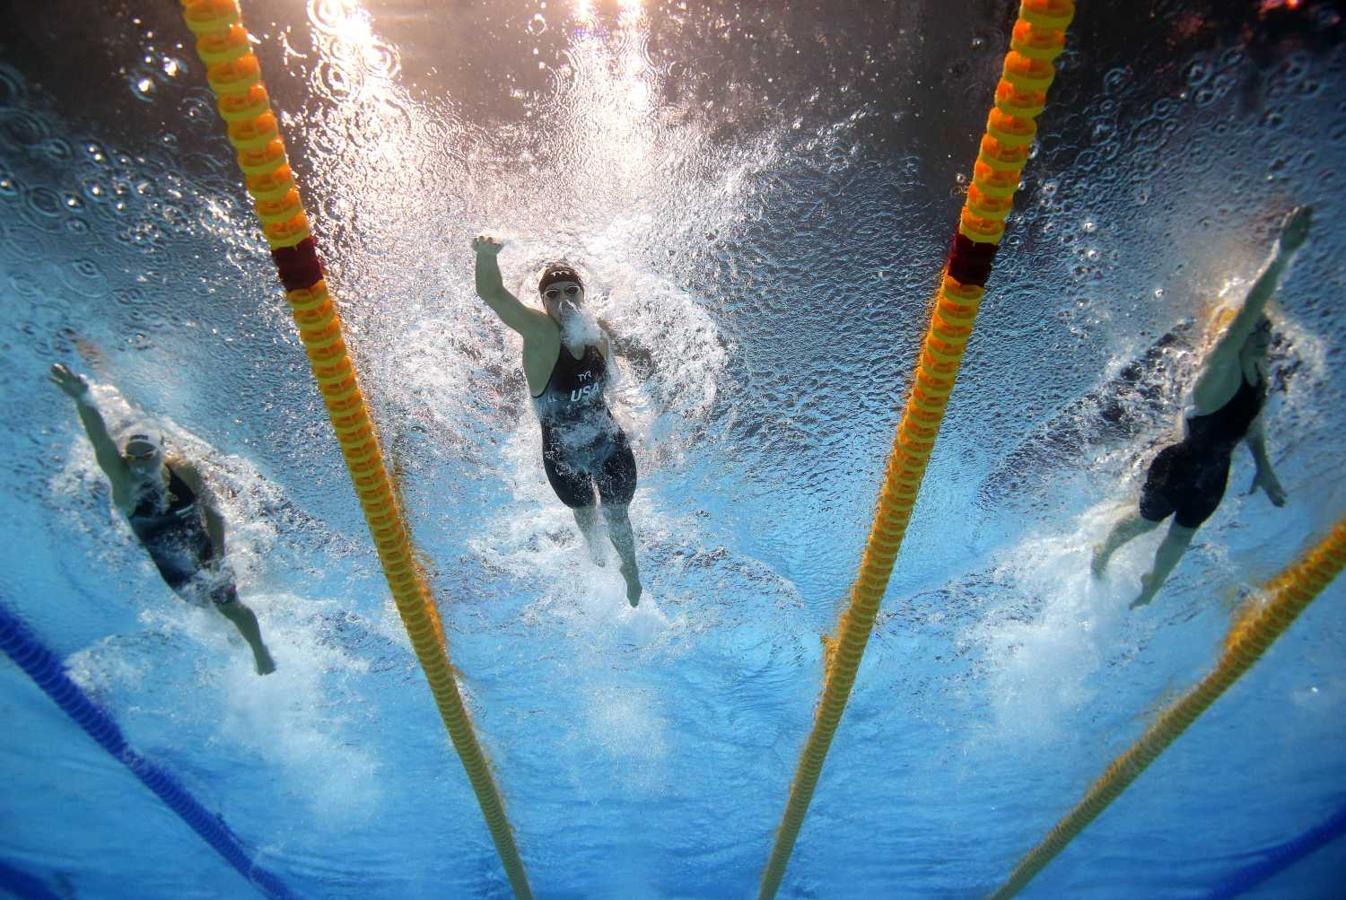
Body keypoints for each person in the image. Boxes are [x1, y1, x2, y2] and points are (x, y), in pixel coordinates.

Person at [1092, 206, 1311, 608]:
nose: (1267, 337)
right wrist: (1281, 255)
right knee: (1145, 523)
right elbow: (1247, 314)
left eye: (1268, 331)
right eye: (1259, 332)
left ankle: (1152, 584)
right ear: (1237, 337)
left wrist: (1263, 464)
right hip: (1179, 465)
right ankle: (1103, 550)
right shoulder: (1218, 372)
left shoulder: (1257, 368)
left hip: (1215, 473)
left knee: (1182, 536)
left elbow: (1251, 419)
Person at [49, 363, 277, 673]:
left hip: (206, 547)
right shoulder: (125, 485)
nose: (140, 464)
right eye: (133, 457)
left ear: (161, 453)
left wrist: (220, 557)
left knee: (231, 606)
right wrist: (83, 399)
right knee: (208, 608)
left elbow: (213, 511)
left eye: (147, 455)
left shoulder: (184, 470)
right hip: (176, 570)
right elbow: (101, 442)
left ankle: (259, 650)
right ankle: (232, 638)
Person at [472, 236, 643, 606]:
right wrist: (486, 256)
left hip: (608, 442)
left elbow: (609, 389)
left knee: (618, 515)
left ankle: (629, 568)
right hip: (563, 457)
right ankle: (598, 560)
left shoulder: (597, 338)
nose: (563, 300)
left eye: (571, 290)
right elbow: (493, 294)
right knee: (587, 518)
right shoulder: (541, 335)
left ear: (582, 294)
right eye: (553, 294)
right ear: (543, 301)